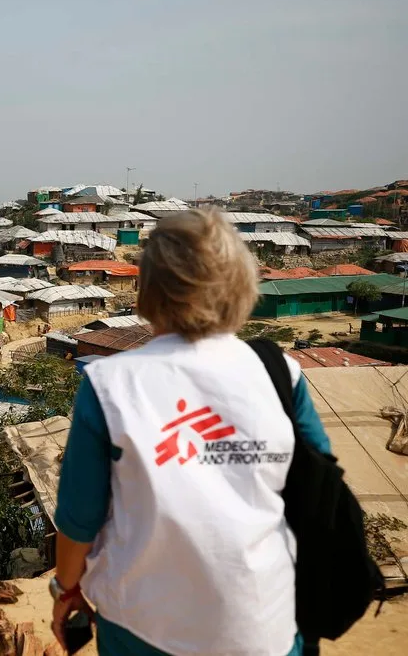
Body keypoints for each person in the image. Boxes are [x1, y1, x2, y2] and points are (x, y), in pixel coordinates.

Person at [51, 210, 332, 656]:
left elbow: (79, 518)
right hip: (266, 621)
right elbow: (317, 496)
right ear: (242, 284)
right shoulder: (281, 374)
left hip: (141, 626)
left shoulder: (110, 383)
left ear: (147, 291)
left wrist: (66, 590)